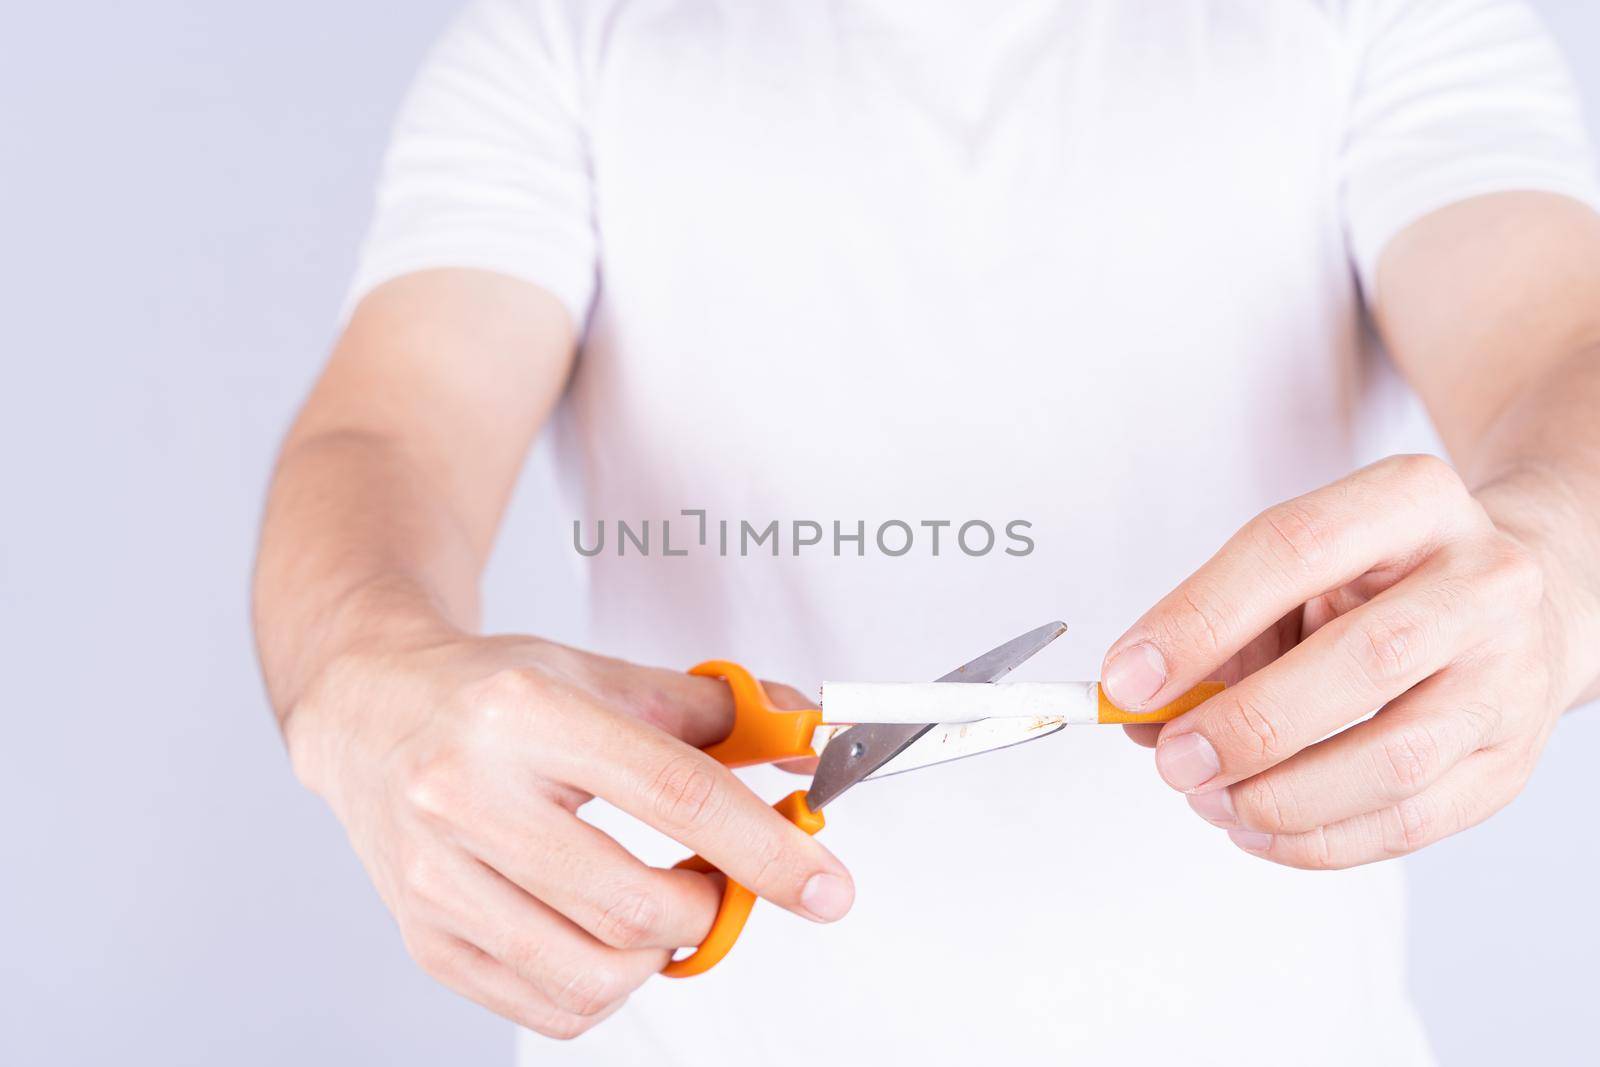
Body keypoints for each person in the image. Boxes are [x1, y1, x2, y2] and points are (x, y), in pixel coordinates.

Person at [252, 0, 1600, 1062]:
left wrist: (1546, 565)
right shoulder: (566, 36)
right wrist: (363, 674)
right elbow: (388, 435)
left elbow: (1564, 351)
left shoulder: (1384, 16)